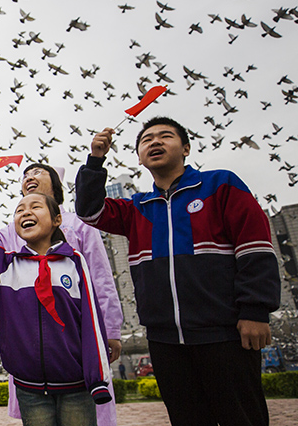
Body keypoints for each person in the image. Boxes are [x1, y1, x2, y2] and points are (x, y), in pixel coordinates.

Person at [75, 117, 280, 426]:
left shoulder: (220, 185)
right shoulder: (137, 208)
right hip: (165, 340)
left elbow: (255, 248)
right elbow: (89, 211)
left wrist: (255, 310)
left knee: (241, 417)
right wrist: (95, 160)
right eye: (146, 140)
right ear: (140, 158)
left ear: (185, 148)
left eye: (165, 136)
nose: (155, 142)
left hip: (224, 333)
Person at [0, 173, 112, 425]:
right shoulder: (5, 265)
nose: (25, 212)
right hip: (29, 389)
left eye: (35, 207)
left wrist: (97, 378)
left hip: (76, 385)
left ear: (57, 219)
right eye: (19, 210)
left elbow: (92, 322)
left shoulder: (74, 262)